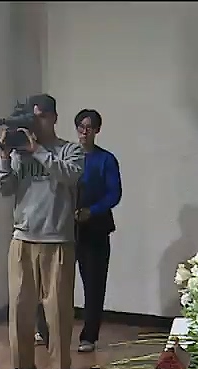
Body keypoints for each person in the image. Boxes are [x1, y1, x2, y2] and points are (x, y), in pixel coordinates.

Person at [0, 93, 85, 369]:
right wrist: (5, 157)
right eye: (34, 117)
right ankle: (22, 364)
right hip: (23, 238)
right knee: (20, 306)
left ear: (54, 117)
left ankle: (62, 367)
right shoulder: (20, 152)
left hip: (57, 240)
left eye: (42, 117)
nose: (38, 122)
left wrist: (38, 150)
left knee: (57, 308)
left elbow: (70, 175)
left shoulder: (70, 150)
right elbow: (5, 189)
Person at [72, 108, 122, 353]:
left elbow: (114, 194)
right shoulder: (68, 156)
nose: (84, 132)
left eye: (89, 127)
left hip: (96, 229)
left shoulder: (106, 160)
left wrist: (92, 211)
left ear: (97, 130)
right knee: (55, 282)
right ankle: (48, 330)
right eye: (81, 127)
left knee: (93, 284)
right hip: (67, 228)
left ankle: (89, 336)